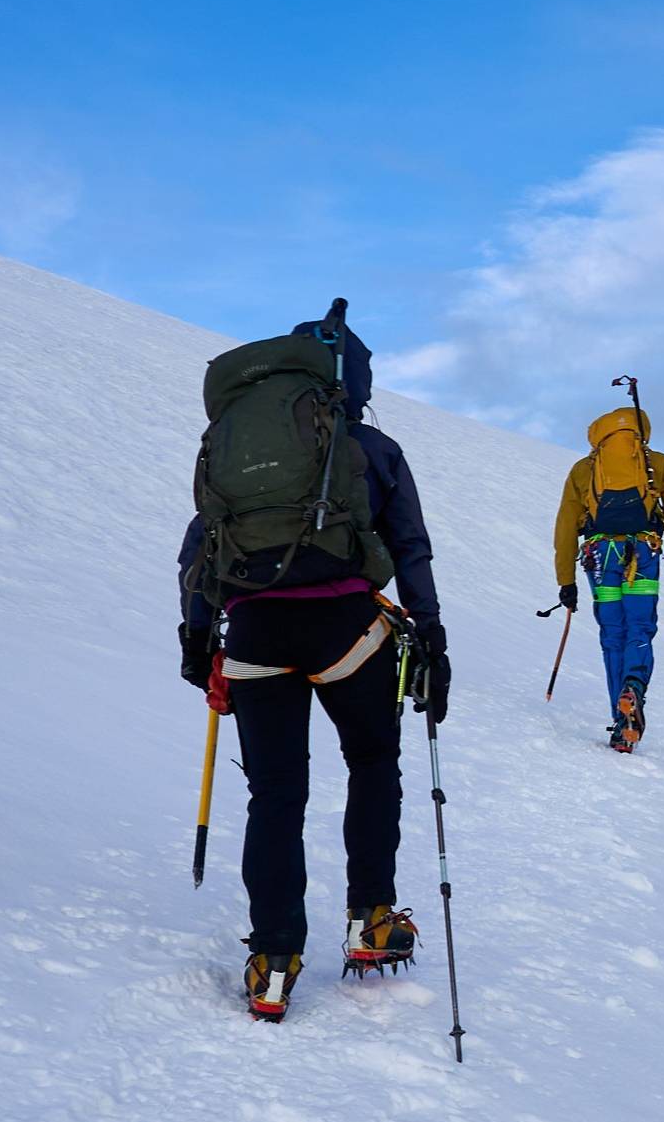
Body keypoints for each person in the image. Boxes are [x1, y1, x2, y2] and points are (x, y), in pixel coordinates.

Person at [177, 314, 450, 1021]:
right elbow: (409, 546)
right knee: (371, 760)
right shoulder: (372, 448)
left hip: (255, 632)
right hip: (346, 631)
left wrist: (199, 640)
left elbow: (201, 547)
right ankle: (370, 919)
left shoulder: (234, 444)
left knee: (275, 794)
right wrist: (431, 634)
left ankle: (272, 960)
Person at [554, 402, 664, 751]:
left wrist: (566, 580)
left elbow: (566, 524)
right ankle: (634, 689)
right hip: (643, 552)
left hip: (599, 555)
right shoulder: (658, 464)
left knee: (613, 633)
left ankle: (620, 720)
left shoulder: (584, 469)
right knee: (639, 628)